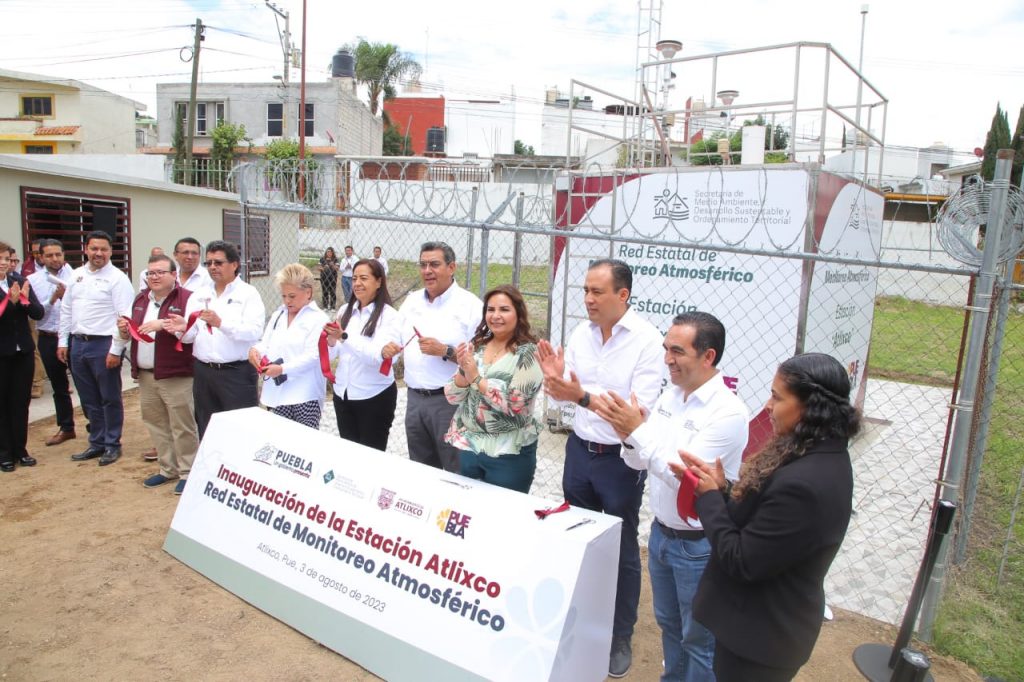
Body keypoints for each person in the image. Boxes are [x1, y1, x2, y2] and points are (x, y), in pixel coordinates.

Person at [677, 353, 861, 682]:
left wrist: (707, 498)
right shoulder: (815, 451)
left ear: (809, 406)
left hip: (759, 640)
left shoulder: (805, 485)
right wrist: (723, 490)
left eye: (777, 397)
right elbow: (767, 518)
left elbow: (741, 559)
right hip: (757, 627)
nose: (768, 406)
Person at [595, 312, 749, 681]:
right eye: (666, 349)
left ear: (708, 356)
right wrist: (628, 433)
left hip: (698, 546)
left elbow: (685, 476)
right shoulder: (671, 396)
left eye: (677, 351)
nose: (667, 359)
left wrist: (639, 433)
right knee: (669, 625)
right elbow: (643, 459)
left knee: (700, 639)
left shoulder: (728, 413)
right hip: (663, 535)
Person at [536, 258, 663, 678]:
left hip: (620, 461)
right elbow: (562, 399)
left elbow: (635, 414)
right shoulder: (580, 333)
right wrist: (556, 382)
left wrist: (579, 395)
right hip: (579, 451)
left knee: (622, 547)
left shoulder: (646, 341)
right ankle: (581, 620)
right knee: (580, 539)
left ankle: (619, 633)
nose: (587, 299)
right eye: (585, 291)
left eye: (596, 292)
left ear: (622, 295)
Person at [383, 241, 482, 472]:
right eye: (423, 265)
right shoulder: (411, 301)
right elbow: (396, 337)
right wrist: (389, 348)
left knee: (455, 470)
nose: (427, 271)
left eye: (435, 264)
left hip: (451, 402)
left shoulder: (470, 306)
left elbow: (482, 361)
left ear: (452, 267)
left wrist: (445, 351)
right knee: (421, 470)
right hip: (415, 400)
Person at [166, 240, 265, 450]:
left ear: (235, 264)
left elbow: (254, 331)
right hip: (204, 372)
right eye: (209, 262)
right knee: (207, 427)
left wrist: (221, 323)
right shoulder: (200, 295)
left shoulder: (248, 294)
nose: (212, 267)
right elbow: (190, 337)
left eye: (218, 263)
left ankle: (240, 475)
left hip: (236, 373)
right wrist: (179, 328)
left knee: (241, 429)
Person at [444, 285, 543, 493]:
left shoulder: (528, 353)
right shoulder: (477, 345)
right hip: (470, 448)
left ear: (518, 313)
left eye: (504, 310)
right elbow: (453, 397)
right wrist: (464, 371)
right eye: (491, 310)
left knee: (504, 516)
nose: (496, 316)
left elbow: (515, 404)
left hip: (508, 455)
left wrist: (477, 378)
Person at [115, 254, 199, 495]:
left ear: (174, 274)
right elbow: (130, 335)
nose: (155, 276)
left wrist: (164, 325)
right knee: (156, 423)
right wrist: (123, 331)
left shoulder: (187, 299)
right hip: (146, 374)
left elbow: (192, 333)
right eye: (151, 273)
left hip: (176, 374)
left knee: (182, 425)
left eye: (161, 272)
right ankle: (167, 468)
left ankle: (187, 471)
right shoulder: (140, 300)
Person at [58, 230, 135, 466]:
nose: (98, 253)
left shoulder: (118, 278)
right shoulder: (77, 275)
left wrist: (115, 349)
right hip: (78, 344)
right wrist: (63, 342)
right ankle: (97, 442)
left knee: (109, 397)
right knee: (89, 398)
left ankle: (112, 444)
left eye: (103, 249)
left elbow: (125, 317)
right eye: (94, 248)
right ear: (86, 249)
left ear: (110, 251)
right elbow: (66, 310)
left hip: (104, 344)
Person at [325, 258, 401, 450]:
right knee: (349, 455)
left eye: (364, 278)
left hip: (374, 396)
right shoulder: (345, 310)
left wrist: (343, 336)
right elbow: (334, 354)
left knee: (371, 458)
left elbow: (377, 357)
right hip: (343, 394)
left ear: (379, 282)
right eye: (355, 278)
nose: (357, 283)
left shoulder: (389, 316)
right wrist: (332, 341)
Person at [249, 264, 329, 429]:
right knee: (280, 442)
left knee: (305, 445)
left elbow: (313, 356)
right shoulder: (279, 315)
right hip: (278, 392)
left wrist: (282, 369)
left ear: (308, 292)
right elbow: (267, 342)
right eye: (284, 296)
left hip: (305, 393)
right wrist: (256, 351)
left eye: (292, 296)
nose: (287, 301)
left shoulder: (318, 319)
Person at [0, 241, 44, 472]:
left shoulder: (18, 281)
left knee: (20, 402)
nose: (4, 263)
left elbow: (38, 312)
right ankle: (4, 453)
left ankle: (21, 450)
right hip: (2, 354)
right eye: (0, 259)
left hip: (23, 352)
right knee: (2, 404)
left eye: (7, 259)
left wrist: (25, 302)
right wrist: (11, 302)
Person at [27, 239, 76, 446]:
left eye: (58, 254)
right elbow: (36, 315)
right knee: (59, 386)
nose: (55, 259)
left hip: (74, 338)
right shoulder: (32, 280)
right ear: (41, 257)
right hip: (48, 337)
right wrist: (54, 298)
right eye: (49, 255)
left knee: (86, 384)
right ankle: (66, 427)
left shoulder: (77, 276)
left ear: (64, 254)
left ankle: (96, 426)